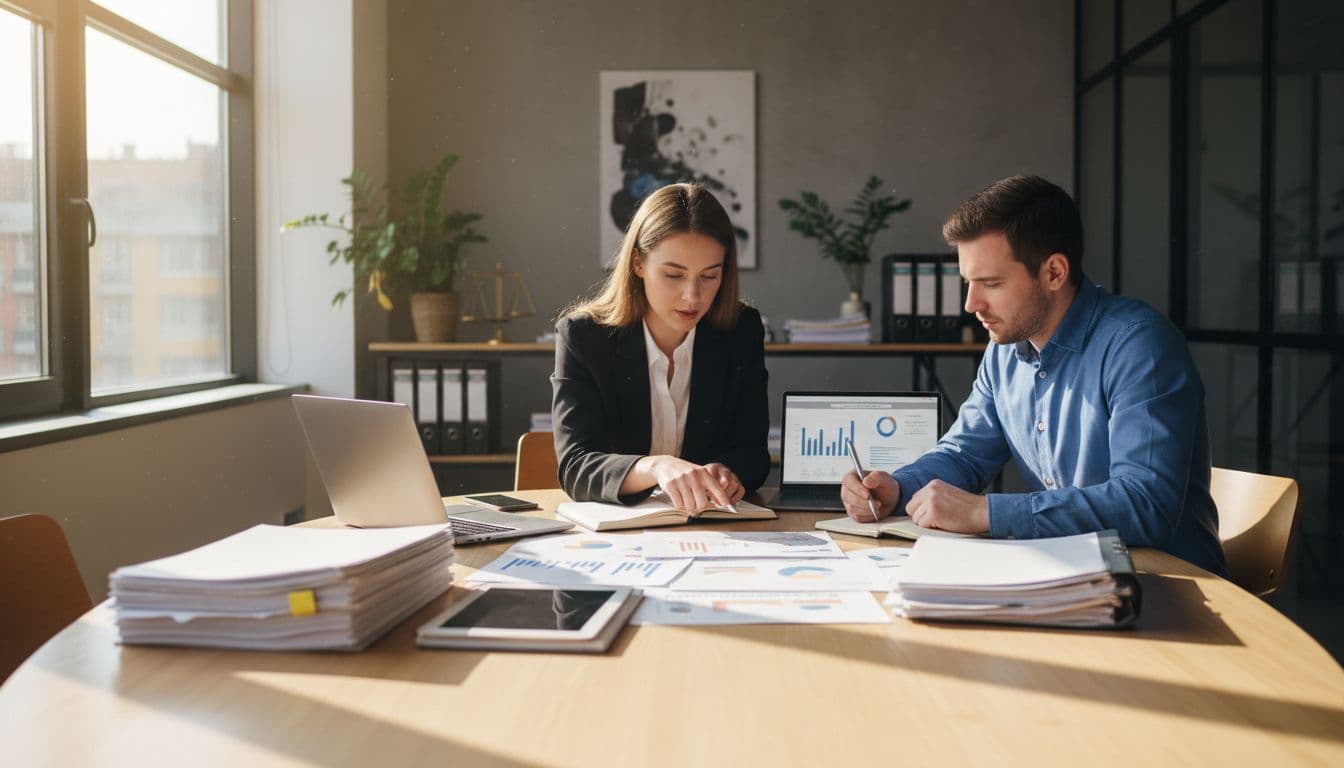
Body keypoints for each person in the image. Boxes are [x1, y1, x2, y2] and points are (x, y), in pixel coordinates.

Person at [841, 175, 1227, 575]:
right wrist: (898, 488)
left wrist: (986, 512)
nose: (971, 304)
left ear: (1055, 272)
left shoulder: (1139, 347)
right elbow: (965, 454)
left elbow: (1145, 504)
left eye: (991, 283)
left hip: (1170, 587)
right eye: (968, 283)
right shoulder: (1003, 352)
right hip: (1070, 575)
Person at [552, 183, 769, 513]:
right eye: (673, 275)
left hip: (713, 529)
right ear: (638, 263)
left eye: (709, 276)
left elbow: (753, 452)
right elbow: (577, 467)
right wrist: (657, 467)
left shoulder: (740, 330)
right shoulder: (583, 336)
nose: (692, 296)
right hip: (620, 537)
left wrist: (728, 472)